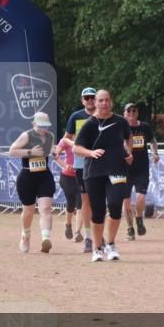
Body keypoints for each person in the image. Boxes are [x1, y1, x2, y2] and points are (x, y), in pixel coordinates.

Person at [73, 89, 133, 263]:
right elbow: (76, 148)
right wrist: (90, 153)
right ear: (96, 103)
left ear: (111, 102)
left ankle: (111, 245)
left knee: (115, 205)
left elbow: (129, 137)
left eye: (107, 100)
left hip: (117, 170)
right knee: (98, 212)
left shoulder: (121, 121)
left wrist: (129, 152)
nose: (104, 103)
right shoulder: (90, 124)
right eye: (101, 100)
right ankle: (97, 248)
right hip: (94, 173)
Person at [8, 112, 57, 254]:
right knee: (28, 211)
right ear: (34, 124)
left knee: (46, 208)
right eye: (41, 126)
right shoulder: (26, 135)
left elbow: (49, 150)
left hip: (44, 176)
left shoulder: (50, 136)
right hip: (27, 177)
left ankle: (45, 239)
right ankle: (26, 235)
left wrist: (54, 152)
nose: (44, 129)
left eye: (46, 126)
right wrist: (30, 152)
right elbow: (12, 151)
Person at [65, 87, 98, 253]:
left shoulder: (103, 116)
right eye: (87, 98)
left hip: (101, 163)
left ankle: (98, 234)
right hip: (81, 164)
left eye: (92, 97)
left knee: (99, 200)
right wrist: (77, 144)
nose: (90, 100)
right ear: (82, 100)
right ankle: (88, 237)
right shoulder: (76, 116)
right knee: (85, 201)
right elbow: (65, 139)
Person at [121, 103, 159, 240]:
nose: (131, 113)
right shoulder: (120, 127)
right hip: (124, 169)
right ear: (124, 113)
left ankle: (138, 218)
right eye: (128, 110)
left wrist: (155, 153)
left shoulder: (145, 127)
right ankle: (130, 229)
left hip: (141, 168)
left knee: (140, 197)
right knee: (126, 200)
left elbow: (152, 141)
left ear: (137, 113)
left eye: (134, 110)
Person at [53, 135, 81, 241]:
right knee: (71, 204)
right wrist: (65, 166)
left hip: (81, 176)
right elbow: (55, 155)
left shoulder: (86, 138)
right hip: (67, 177)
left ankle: (77, 232)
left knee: (81, 204)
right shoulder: (65, 140)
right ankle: (68, 224)